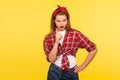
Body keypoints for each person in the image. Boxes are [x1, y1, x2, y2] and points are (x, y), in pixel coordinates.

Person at [43, 5, 97, 80]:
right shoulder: (48, 38)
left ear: (68, 20)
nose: (61, 23)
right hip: (54, 71)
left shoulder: (75, 34)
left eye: (64, 20)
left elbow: (93, 49)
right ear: (54, 21)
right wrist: (56, 42)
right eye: (58, 21)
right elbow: (51, 60)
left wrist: (82, 67)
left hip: (71, 72)